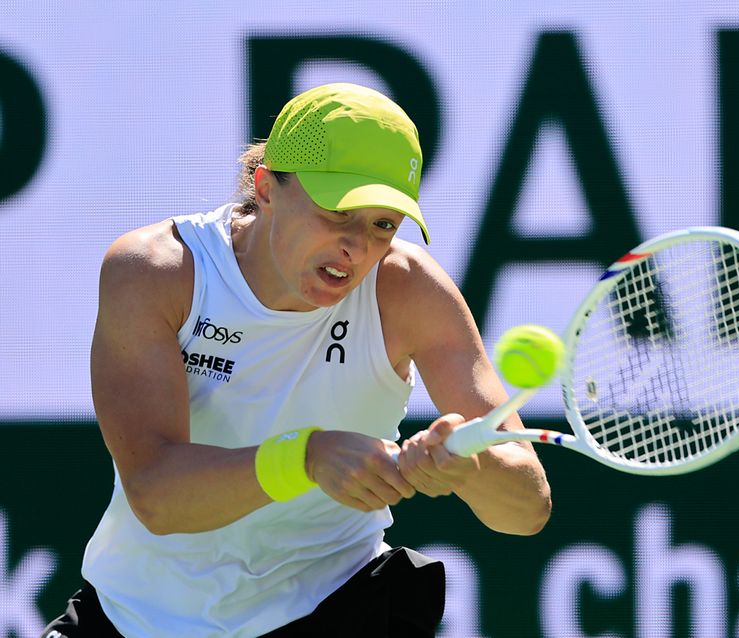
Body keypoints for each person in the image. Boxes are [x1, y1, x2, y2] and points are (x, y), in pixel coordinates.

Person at [42, 82, 551, 638]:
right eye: (338, 212)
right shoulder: (157, 272)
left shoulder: (409, 290)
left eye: (383, 224)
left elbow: (527, 509)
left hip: (334, 607)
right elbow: (157, 495)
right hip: (132, 617)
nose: (357, 246)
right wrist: (306, 456)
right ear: (266, 188)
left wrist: (470, 468)